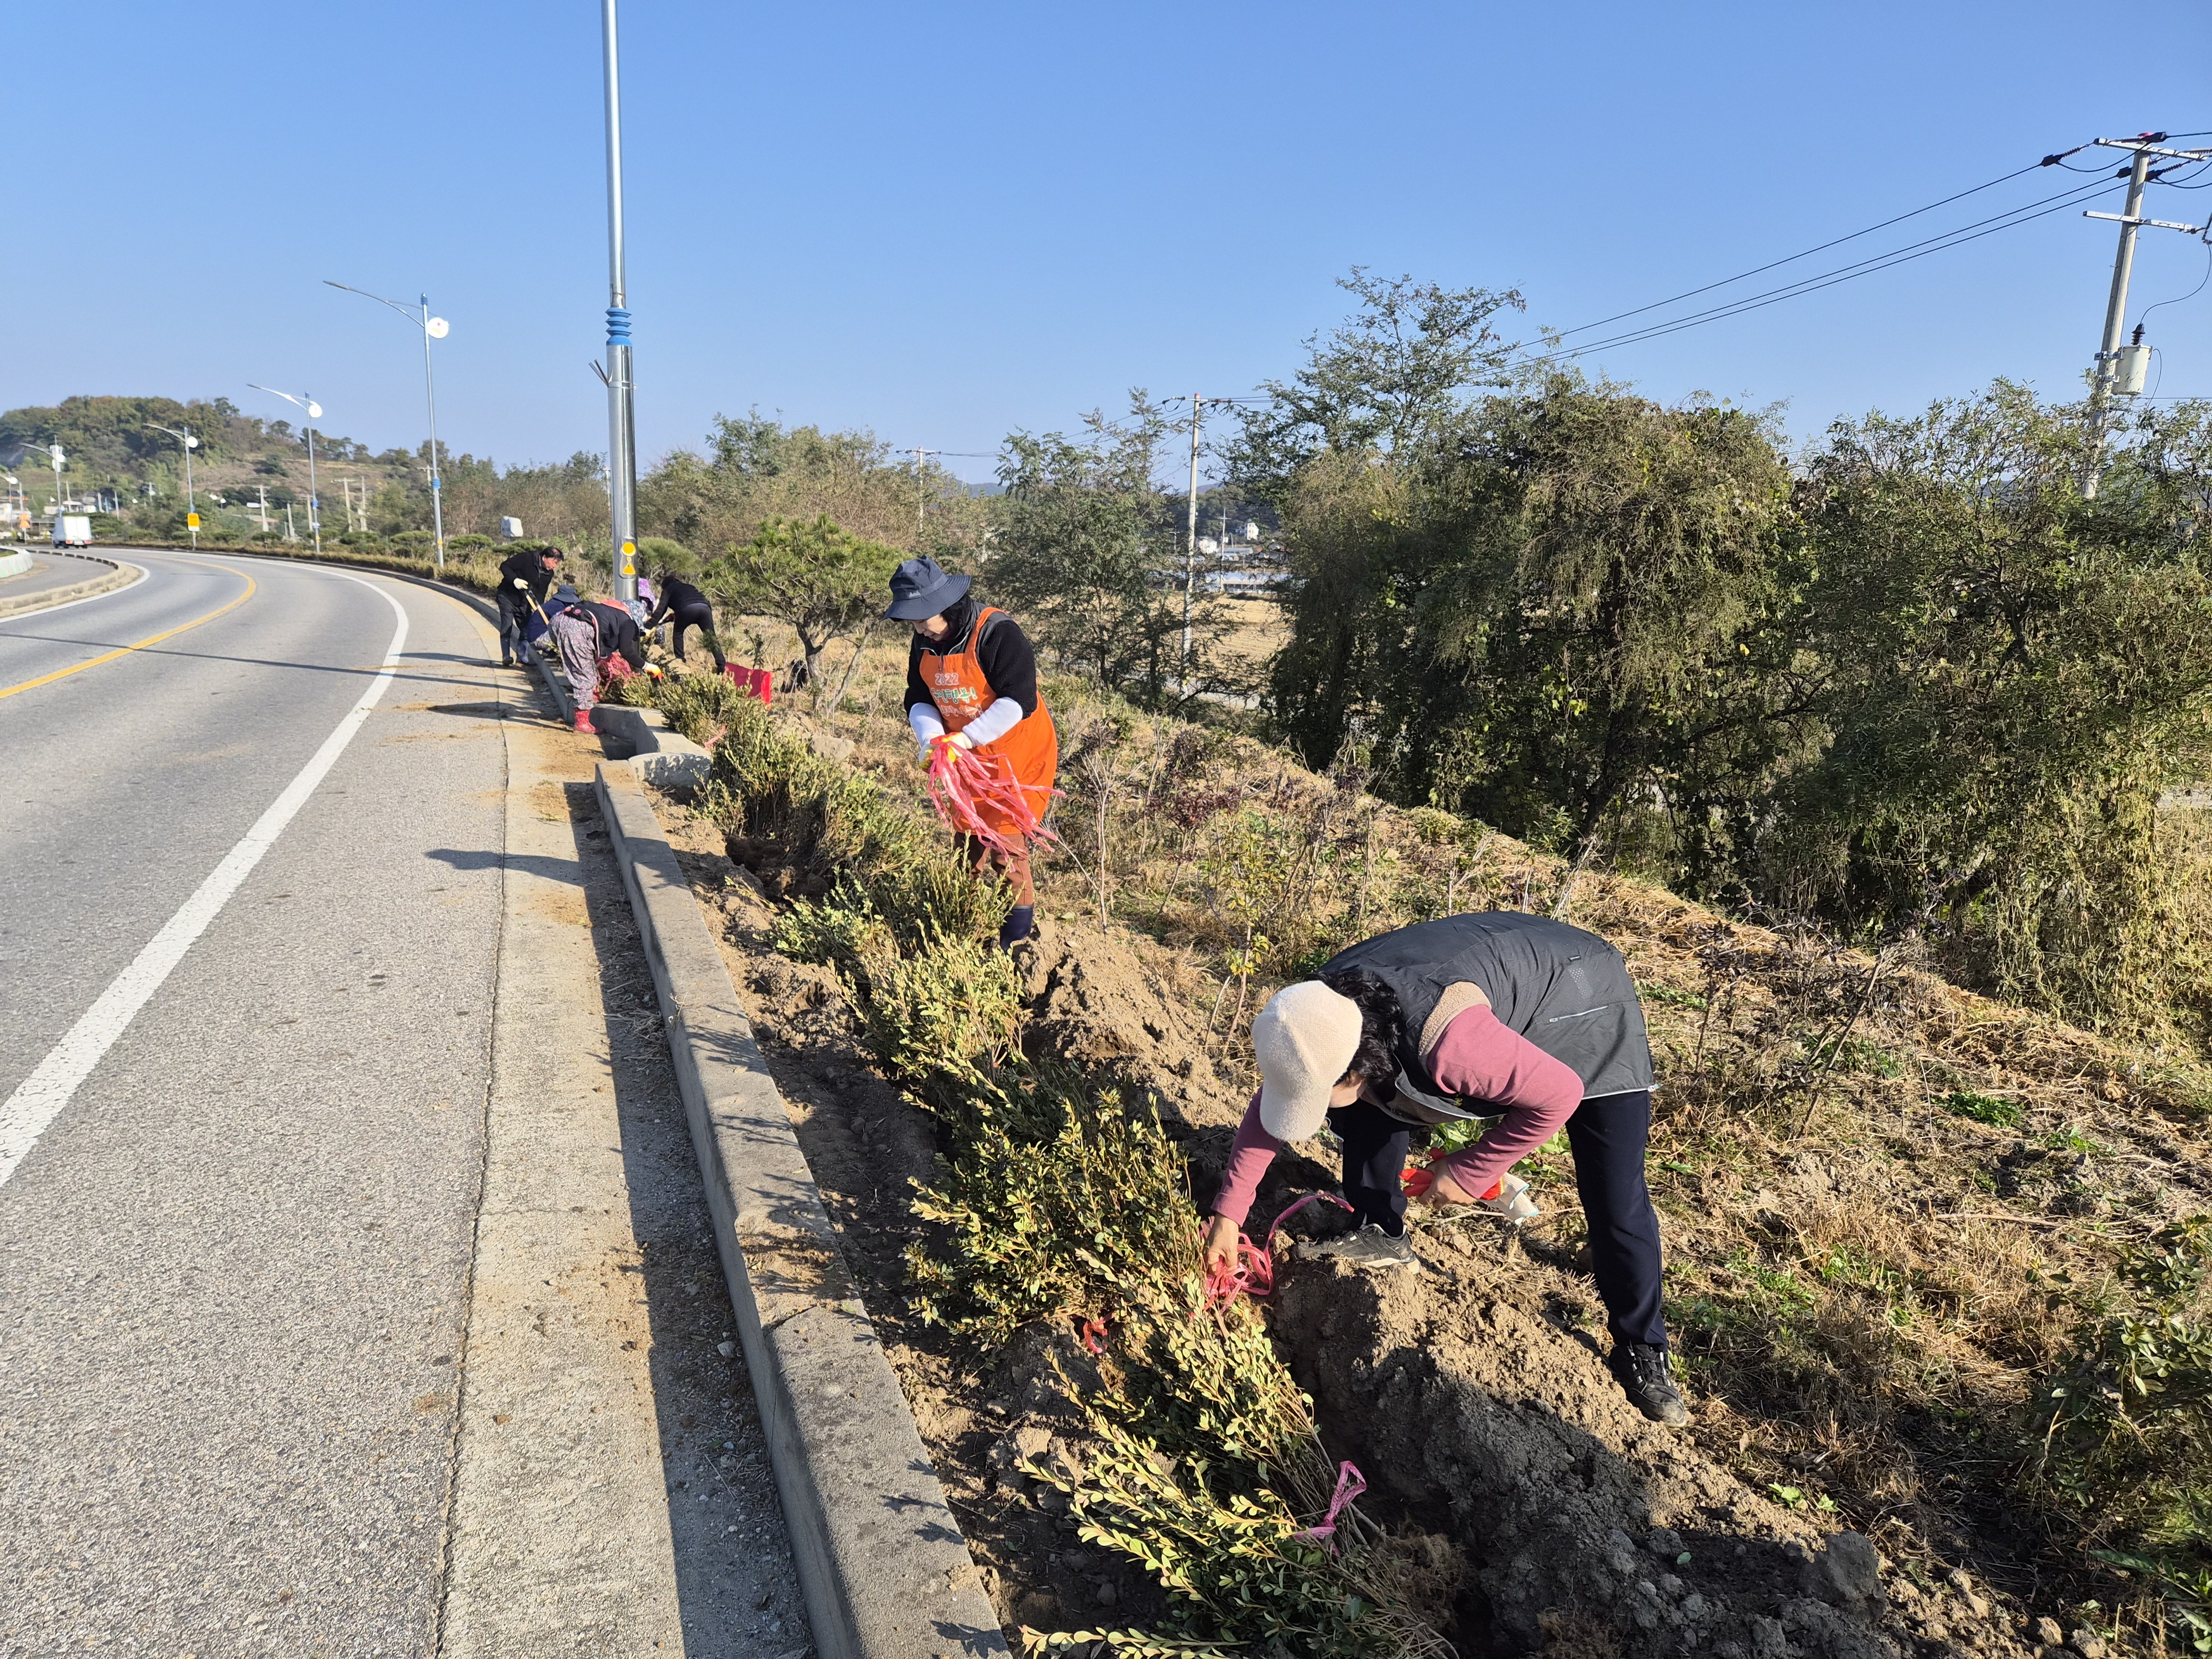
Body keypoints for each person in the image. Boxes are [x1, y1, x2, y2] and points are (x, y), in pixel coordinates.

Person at [1201, 911, 1688, 1426]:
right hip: (1492, 983)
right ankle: (1379, 1229)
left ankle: (1643, 1348)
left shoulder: (1450, 1045)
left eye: (1321, 1093)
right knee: (1365, 1105)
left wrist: (1473, 1170)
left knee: (1615, 1194)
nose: (1315, 1108)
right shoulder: (1318, 1015)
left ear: (1360, 1061)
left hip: (1585, 1000)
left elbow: (1558, 1094)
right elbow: (1271, 1105)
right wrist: (1228, 1215)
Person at [887, 555, 1056, 951]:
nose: (917, 630)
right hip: (965, 757)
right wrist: (932, 739)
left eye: (922, 620)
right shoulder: (926, 640)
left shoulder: (997, 632)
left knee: (1007, 849)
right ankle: (960, 929)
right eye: (911, 622)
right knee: (967, 846)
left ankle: (1014, 943)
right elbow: (919, 696)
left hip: (1016, 752)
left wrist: (966, 738)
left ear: (946, 607)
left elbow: (1018, 701)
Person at [545, 585, 650, 735]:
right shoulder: (629, 621)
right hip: (577, 629)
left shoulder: (611, 611)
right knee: (585, 677)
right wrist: (647, 666)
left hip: (560, 619)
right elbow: (627, 652)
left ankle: (585, 706)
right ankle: (582, 723)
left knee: (584, 670)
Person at [641, 570, 727, 672]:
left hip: (686, 608)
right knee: (711, 636)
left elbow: (660, 611)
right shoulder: (690, 587)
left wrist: (648, 626)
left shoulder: (669, 589)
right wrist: (678, 614)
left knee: (678, 633)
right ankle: (722, 665)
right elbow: (693, 600)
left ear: (665, 585)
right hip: (705, 608)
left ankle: (680, 660)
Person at [496, 544, 565, 668]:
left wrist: (539, 610)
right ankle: (506, 656)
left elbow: (540, 593)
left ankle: (522, 659)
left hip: (524, 601)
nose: (555, 565)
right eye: (554, 562)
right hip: (507, 596)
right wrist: (515, 580)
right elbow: (505, 566)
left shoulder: (548, 574)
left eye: (557, 563)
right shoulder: (526, 558)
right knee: (507, 624)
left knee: (526, 629)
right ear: (545, 557)